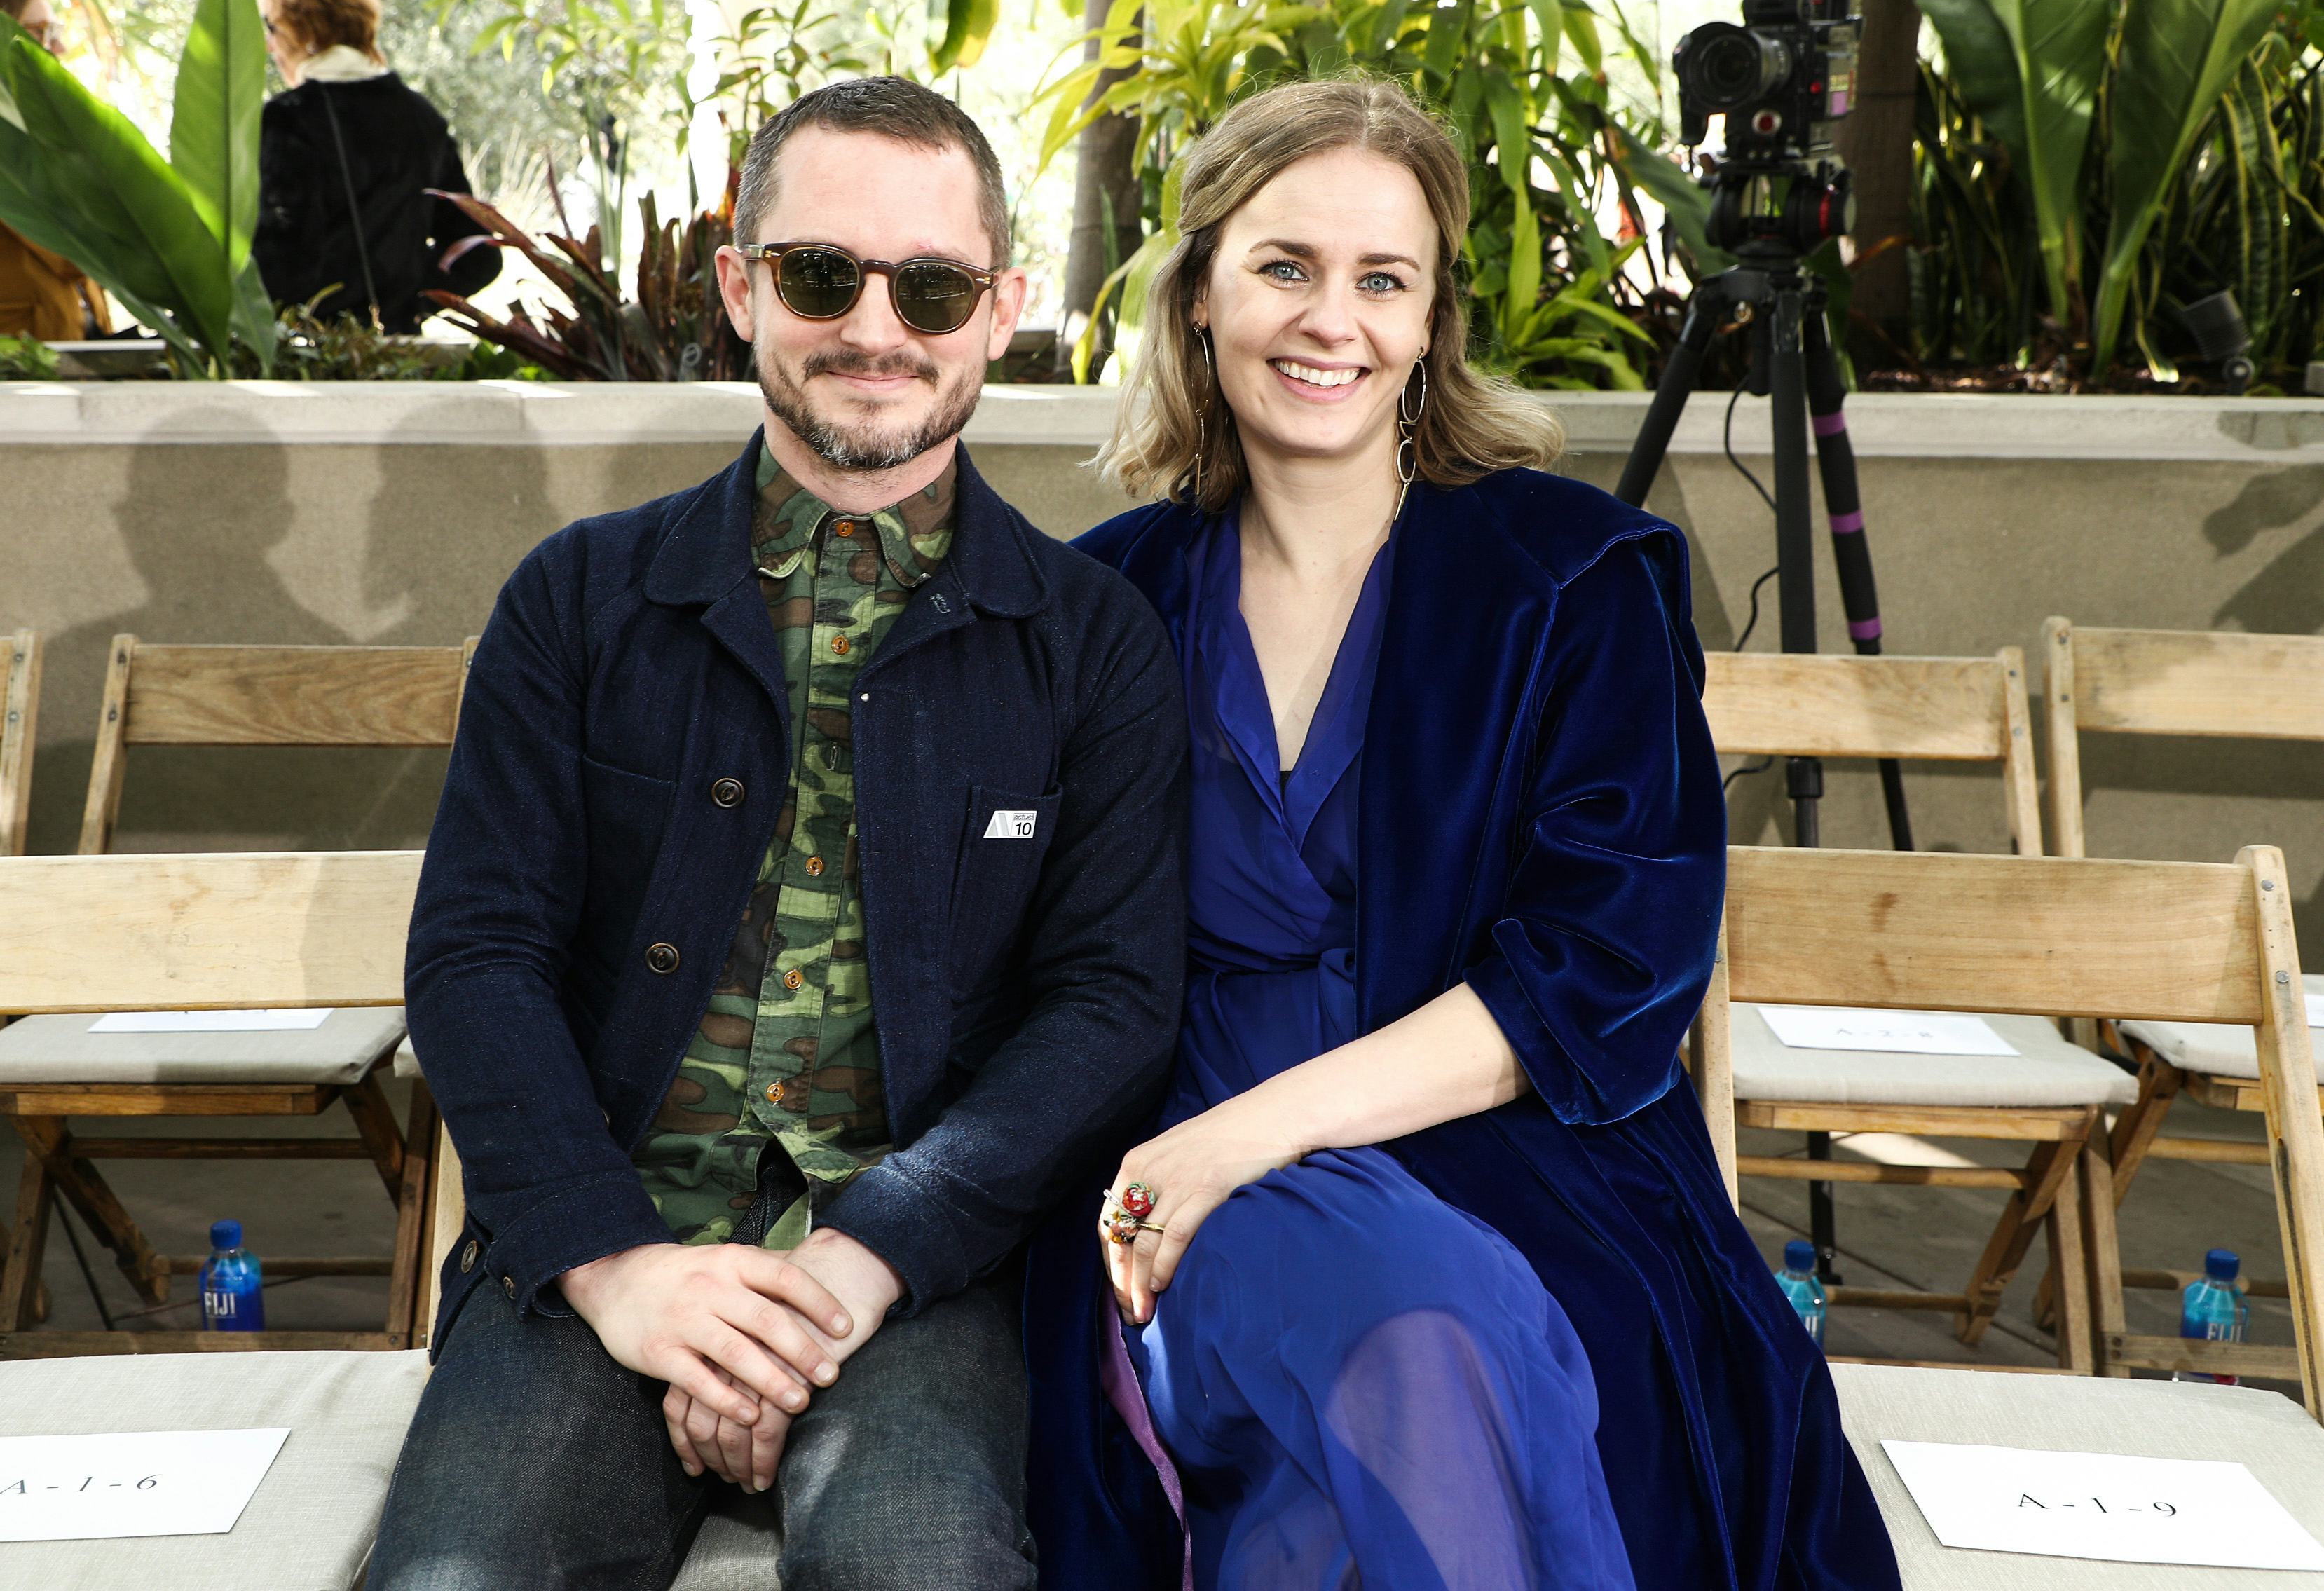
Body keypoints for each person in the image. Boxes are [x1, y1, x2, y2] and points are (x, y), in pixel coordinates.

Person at [1028, 77, 1903, 1590]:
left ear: (1433, 322)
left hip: (1503, 1148)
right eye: (1284, 266)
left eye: (1384, 280)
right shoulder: (1102, 599)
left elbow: (1605, 965)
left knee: (1410, 1360)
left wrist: (1251, 1133)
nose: (1332, 321)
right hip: (1169, 1153)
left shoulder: (1571, 582)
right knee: (1398, 1339)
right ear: (1199, 292)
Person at [370, 76, 1187, 1590]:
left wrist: (870, 1253)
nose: (876, 327)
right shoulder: (577, 601)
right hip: (605, 1240)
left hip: (923, 1268)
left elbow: (1111, 1002)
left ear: (1000, 311)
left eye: (930, 287)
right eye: (821, 274)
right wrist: (617, 1266)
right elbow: (479, 954)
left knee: (918, 1565)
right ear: (741, 288)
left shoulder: (1091, 641)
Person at [251, 0, 498, 332]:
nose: (269, 44)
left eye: (273, 27)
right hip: (396, 351)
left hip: (304, 351)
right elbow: (478, 254)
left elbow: (275, 256)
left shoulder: (288, 118)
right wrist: (409, 301)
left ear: (306, 31)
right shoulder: (420, 117)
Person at [0, 0, 113, 341]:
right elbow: (73, 251)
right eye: (42, 32)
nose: (59, 47)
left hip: (71, 334)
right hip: (25, 351)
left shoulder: (32, 119)